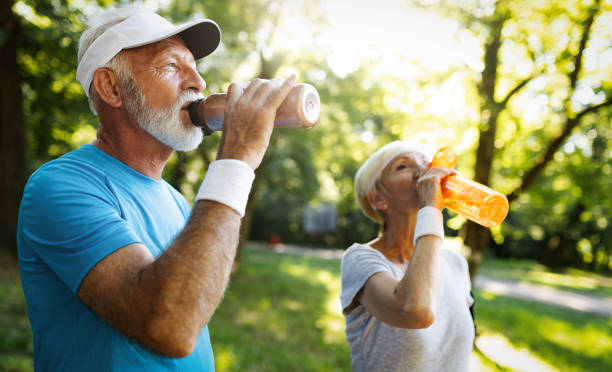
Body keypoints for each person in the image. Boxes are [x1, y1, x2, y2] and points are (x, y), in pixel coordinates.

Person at [17, 6, 296, 371]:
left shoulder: (181, 204)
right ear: (112, 87)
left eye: (195, 67)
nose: (198, 82)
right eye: (171, 66)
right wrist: (237, 160)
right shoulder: (60, 186)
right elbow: (170, 327)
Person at [340, 141, 475, 371]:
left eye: (425, 162)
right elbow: (415, 311)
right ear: (378, 199)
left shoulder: (455, 263)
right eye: (403, 166)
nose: (423, 170)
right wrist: (430, 210)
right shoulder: (360, 259)